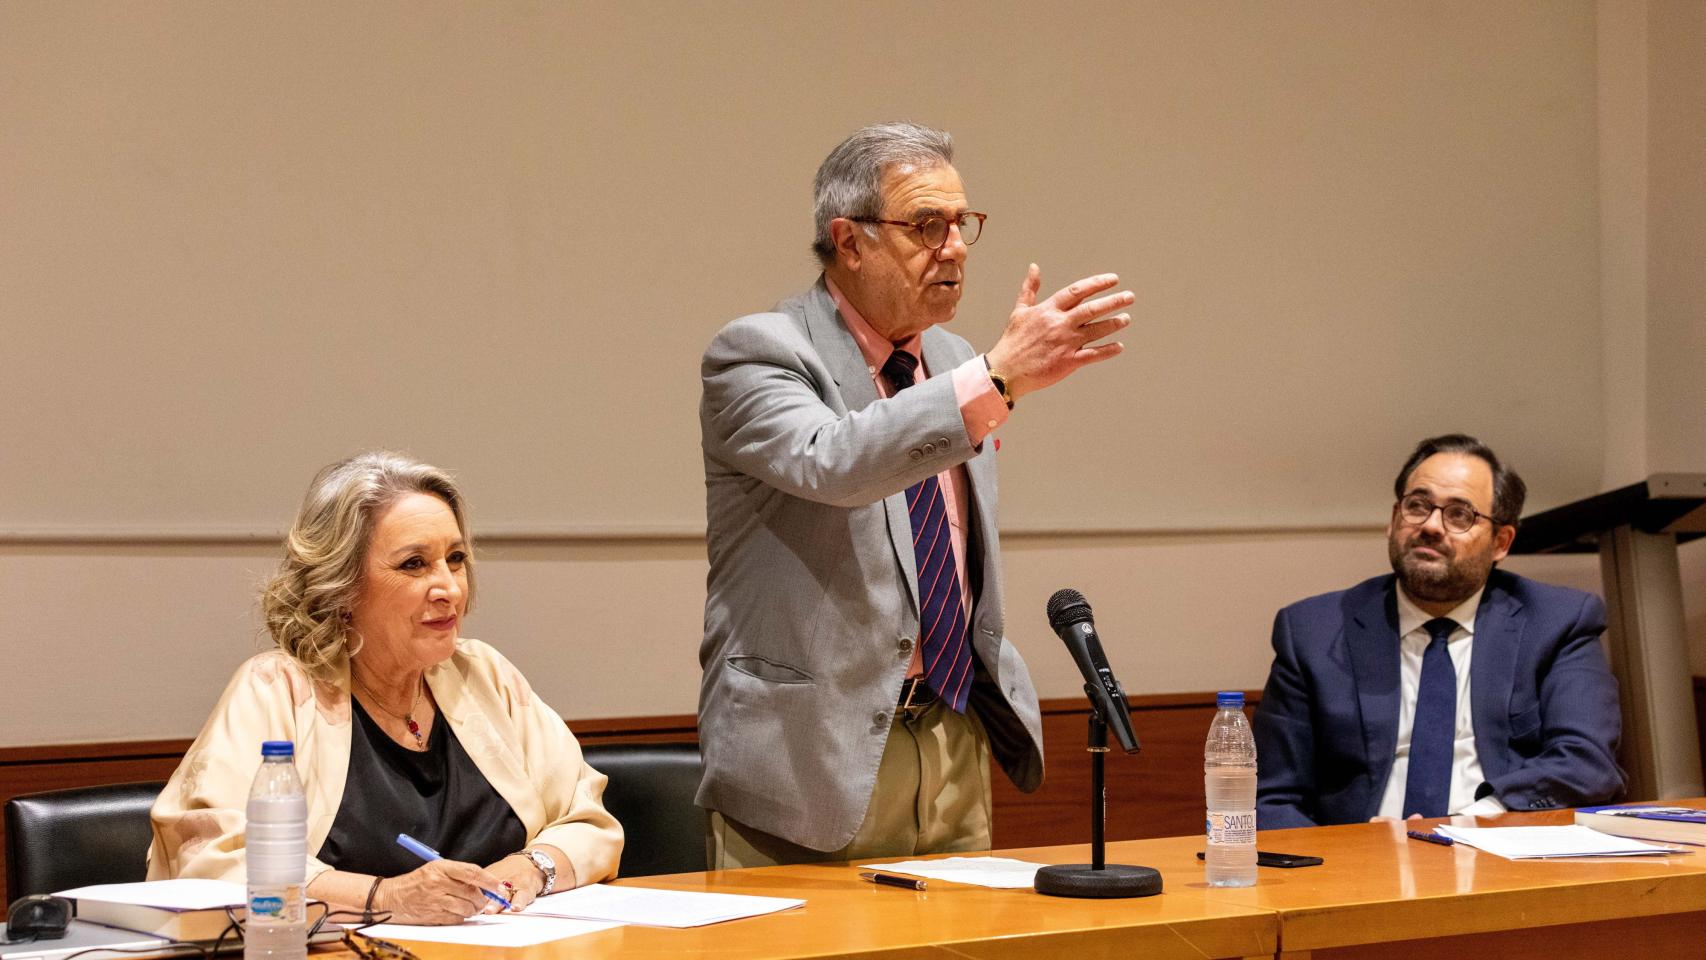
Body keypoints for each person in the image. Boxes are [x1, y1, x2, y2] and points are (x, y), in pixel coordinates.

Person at [696, 121, 1135, 866]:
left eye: (961, 224)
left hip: (953, 732)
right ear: (852, 240)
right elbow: (834, 463)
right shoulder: (758, 352)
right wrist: (996, 380)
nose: (955, 246)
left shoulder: (954, 360)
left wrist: (987, 376)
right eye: (926, 225)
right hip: (813, 756)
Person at [148, 452, 621, 924]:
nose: (449, 588)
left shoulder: (484, 676)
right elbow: (209, 859)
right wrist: (386, 897)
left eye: (455, 559)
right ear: (342, 586)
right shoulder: (277, 690)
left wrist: (528, 869)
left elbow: (589, 822)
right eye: (414, 564)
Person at [1253, 434, 1624, 828]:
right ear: (1394, 519)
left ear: (1501, 542)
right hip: (1364, 866)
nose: (1431, 526)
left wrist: (1472, 821)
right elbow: (1272, 796)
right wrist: (1346, 862)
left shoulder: (1557, 622)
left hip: (1502, 855)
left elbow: (1587, 762)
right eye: (1418, 506)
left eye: (1460, 515)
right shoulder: (1313, 631)